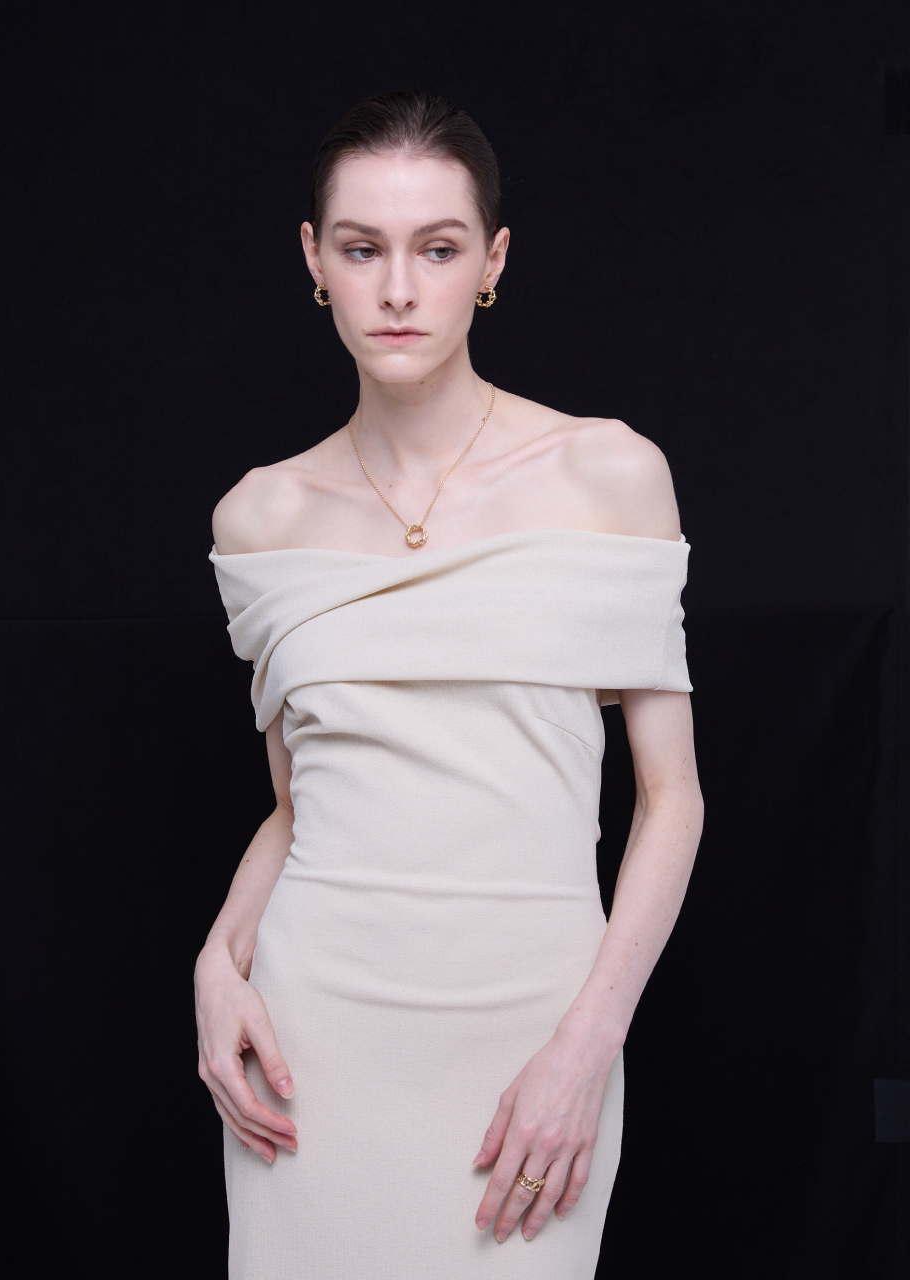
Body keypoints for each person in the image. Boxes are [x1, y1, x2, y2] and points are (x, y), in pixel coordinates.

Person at [194, 89, 704, 1279]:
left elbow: (671, 797)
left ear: (493, 262)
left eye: (437, 248)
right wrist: (216, 961)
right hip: (315, 1039)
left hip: (535, 1030)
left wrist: (590, 1041)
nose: (397, 288)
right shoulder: (260, 516)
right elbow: (296, 806)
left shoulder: (609, 473)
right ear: (314, 260)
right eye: (361, 248)